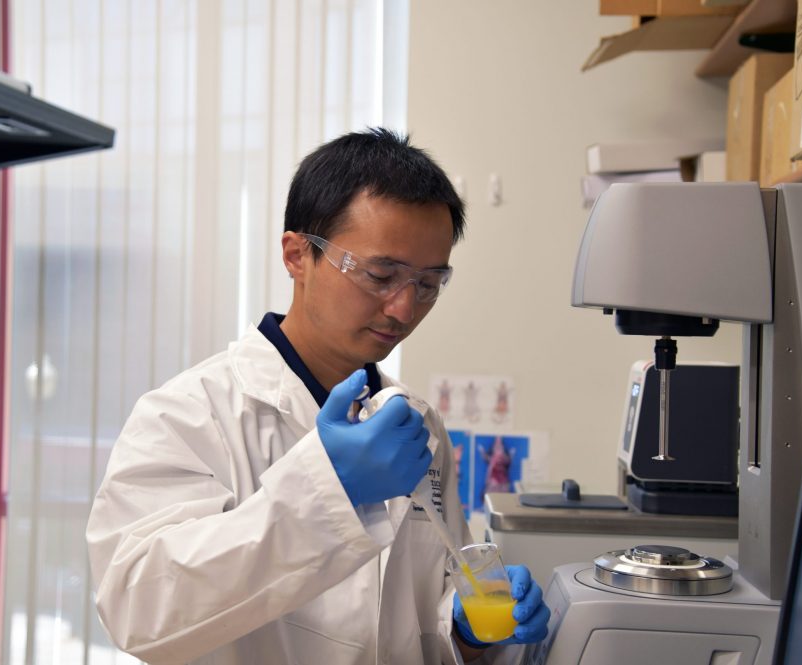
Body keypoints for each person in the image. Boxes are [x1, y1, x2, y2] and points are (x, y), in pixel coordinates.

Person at [86, 127, 550, 665]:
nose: (404, 308)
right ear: (297, 255)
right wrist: (329, 490)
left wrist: (467, 632)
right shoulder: (190, 415)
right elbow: (139, 611)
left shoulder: (417, 426)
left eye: (428, 284)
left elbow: (417, 619)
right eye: (381, 274)